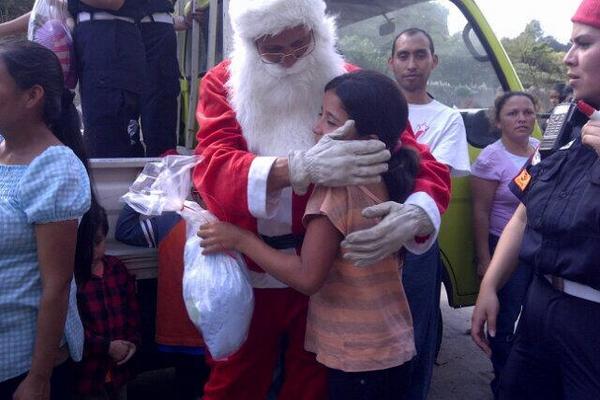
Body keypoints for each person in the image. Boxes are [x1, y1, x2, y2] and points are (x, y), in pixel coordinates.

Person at [192, 0, 451, 398]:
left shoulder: (349, 82)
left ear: (320, 29)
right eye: (273, 51)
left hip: (331, 277)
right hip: (251, 267)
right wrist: (294, 169)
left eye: (300, 43)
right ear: (249, 43)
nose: (290, 60)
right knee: (234, 382)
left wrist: (418, 211)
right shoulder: (222, 84)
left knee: (312, 386)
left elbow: (419, 158)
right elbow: (212, 169)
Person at [199, 69, 419, 400]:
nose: (316, 127)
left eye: (329, 121)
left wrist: (240, 239)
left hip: (353, 349)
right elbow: (214, 160)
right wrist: (293, 169)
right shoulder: (391, 173)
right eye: (319, 114)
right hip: (389, 340)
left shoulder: (337, 187)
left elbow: (307, 276)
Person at [471, 1, 600, 398]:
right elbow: (523, 215)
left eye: (584, 44)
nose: (568, 58)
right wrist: (489, 285)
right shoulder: (564, 125)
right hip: (540, 304)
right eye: (569, 44)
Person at [0, 38, 91, 400]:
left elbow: (57, 284)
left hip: (20, 363)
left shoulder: (54, 167)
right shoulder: (2, 151)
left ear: (31, 95)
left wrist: (38, 379)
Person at [388, 27, 470, 400]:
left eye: (420, 55)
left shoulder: (448, 118)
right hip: (369, 232)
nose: (411, 64)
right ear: (391, 63)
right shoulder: (379, 106)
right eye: (403, 56)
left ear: (433, 61)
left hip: (418, 240)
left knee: (415, 333)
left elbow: (437, 175)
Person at [470, 91, 539, 397]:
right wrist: (485, 260)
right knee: (505, 318)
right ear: (498, 122)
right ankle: (504, 383)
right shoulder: (490, 158)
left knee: (535, 318)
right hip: (504, 248)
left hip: (539, 246)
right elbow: (480, 213)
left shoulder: (541, 150)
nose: (522, 118)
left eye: (528, 112)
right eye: (513, 113)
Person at [115, 199, 208, 400]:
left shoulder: (169, 220)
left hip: (196, 332)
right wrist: (143, 193)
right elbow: (124, 231)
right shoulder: (170, 220)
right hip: (191, 332)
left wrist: (142, 192)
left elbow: (124, 229)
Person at [74, 206, 141, 400]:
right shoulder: (71, 277)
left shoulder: (116, 269)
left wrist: (132, 344)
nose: (94, 250)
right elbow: (70, 328)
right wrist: (107, 347)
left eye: (98, 242)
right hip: (88, 376)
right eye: (86, 244)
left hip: (120, 372)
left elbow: (133, 312)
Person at [67, 0, 146, 157]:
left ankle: (122, 179)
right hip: (92, 40)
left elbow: (114, 2)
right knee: (97, 131)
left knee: (112, 133)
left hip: (113, 43)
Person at [139, 1, 202, 157]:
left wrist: (175, 20)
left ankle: (162, 167)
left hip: (157, 30)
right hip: (127, 29)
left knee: (161, 106)